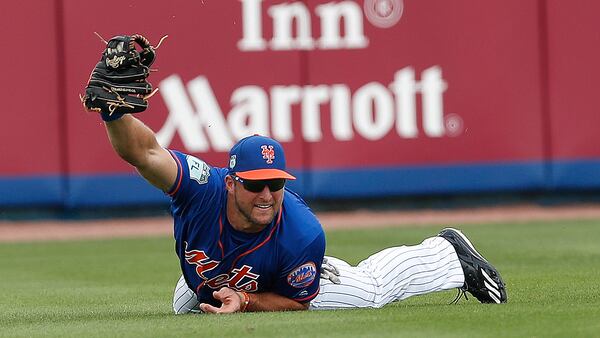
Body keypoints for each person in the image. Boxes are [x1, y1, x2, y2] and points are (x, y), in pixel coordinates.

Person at [98, 113, 506, 314]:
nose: (267, 194)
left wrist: (245, 299)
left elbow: (295, 304)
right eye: (255, 183)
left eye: (275, 183)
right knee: (183, 307)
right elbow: (144, 151)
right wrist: (112, 114)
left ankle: (445, 253)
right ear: (230, 181)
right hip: (220, 269)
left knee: (370, 291)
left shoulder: (302, 233)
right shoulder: (199, 187)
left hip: (281, 273)